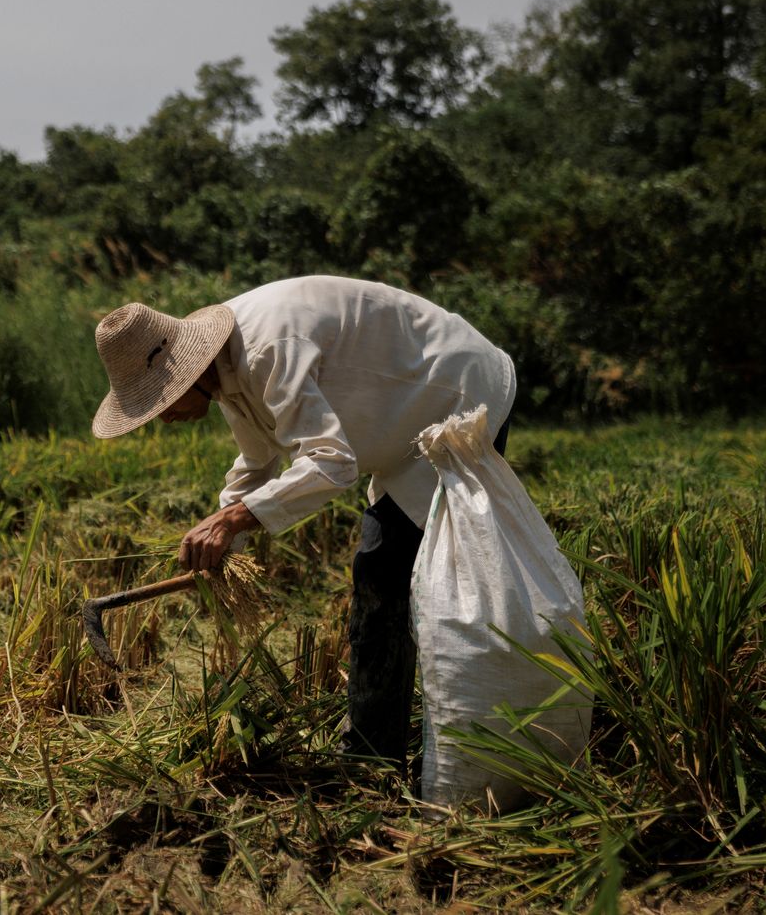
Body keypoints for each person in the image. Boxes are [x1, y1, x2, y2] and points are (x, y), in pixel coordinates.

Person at [91, 274, 515, 766]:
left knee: (403, 577)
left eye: (159, 404)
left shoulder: (267, 351)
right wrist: (228, 541)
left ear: (182, 375)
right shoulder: (226, 371)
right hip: (402, 430)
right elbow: (256, 463)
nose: (163, 419)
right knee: (386, 575)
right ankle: (378, 752)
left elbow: (332, 466)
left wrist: (232, 521)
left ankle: (385, 756)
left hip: (457, 395)